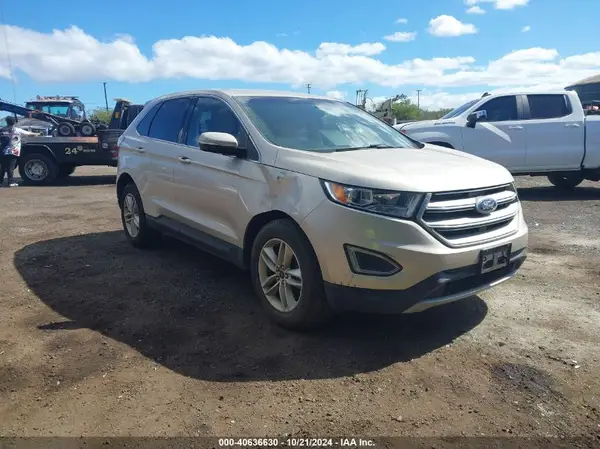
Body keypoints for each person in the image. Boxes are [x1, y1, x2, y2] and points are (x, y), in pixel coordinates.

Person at [0, 116, 38, 187]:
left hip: (2, 151)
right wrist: (37, 134)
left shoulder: (2, 130)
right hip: (13, 151)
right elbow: (29, 134)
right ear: (14, 122)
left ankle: (0, 182)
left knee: (2, 167)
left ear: (6, 122)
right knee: (10, 167)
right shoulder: (16, 130)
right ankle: (10, 182)